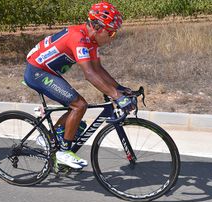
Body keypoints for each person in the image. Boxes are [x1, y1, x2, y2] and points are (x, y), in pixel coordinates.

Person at [24, 2, 135, 169]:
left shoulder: (91, 41)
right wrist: (117, 97)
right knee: (79, 105)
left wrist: (119, 88)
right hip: (37, 72)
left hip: (49, 71)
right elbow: (89, 74)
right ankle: (63, 152)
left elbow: (98, 69)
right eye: (110, 32)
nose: (112, 37)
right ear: (97, 27)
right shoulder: (79, 37)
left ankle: (48, 137)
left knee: (75, 111)